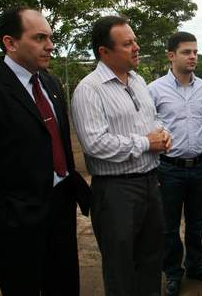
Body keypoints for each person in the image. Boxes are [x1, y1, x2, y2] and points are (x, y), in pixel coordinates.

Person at [0, 7, 91, 295]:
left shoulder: (50, 83)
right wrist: (1, 221)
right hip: (17, 220)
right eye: (40, 37)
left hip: (60, 208)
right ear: (10, 42)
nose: (50, 45)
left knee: (64, 285)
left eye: (50, 37)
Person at [72, 16, 171, 296]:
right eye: (127, 44)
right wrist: (145, 143)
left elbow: (152, 120)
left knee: (152, 260)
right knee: (120, 267)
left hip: (150, 183)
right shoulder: (89, 90)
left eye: (135, 41)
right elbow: (95, 144)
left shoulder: (138, 80)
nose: (136, 47)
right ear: (104, 52)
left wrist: (163, 134)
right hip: (116, 191)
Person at [147, 32, 202, 296]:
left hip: (199, 168)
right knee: (168, 226)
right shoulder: (154, 90)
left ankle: (196, 266)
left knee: (196, 223)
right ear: (171, 55)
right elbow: (149, 128)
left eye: (195, 52)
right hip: (168, 169)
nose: (193, 57)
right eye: (186, 52)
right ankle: (173, 273)